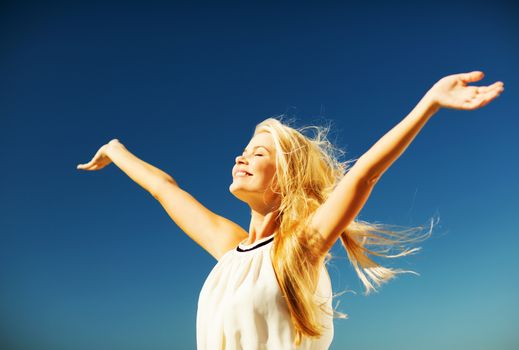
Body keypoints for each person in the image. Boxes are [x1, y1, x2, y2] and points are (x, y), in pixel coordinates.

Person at [77, 71, 504, 349]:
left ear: (283, 178)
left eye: (257, 153)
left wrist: (428, 104)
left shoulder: (299, 247)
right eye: (242, 151)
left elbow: (363, 176)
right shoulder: (230, 248)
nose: (240, 158)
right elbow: (163, 188)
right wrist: (116, 151)